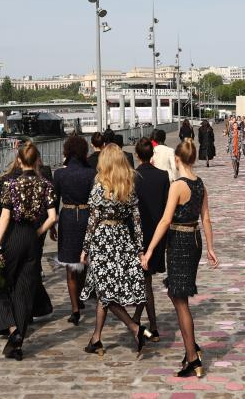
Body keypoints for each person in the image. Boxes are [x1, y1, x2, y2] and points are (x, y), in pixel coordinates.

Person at [142, 138, 218, 378]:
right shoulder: (200, 184)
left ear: (177, 159)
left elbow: (165, 220)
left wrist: (151, 249)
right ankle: (191, 349)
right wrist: (210, 247)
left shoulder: (177, 185)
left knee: (180, 299)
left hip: (178, 241)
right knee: (178, 294)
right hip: (194, 240)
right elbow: (205, 218)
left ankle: (193, 356)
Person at [80, 144, 149, 359]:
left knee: (104, 292)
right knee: (105, 291)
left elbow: (92, 220)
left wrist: (85, 248)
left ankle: (134, 327)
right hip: (122, 238)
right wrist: (139, 249)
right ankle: (96, 338)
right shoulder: (128, 185)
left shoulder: (99, 185)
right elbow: (136, 222)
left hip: (102, 239)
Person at [0, 142, 58, 359]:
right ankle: (17, 338)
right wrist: (38, 232)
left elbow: (5, 216)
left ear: (18, 160)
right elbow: (53, 217)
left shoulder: (11, 184)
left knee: (1, 284)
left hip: (13, 236)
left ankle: (12, 330)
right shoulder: (45, 184)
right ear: (37, 159)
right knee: (24, 289)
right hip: (31, 237)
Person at [51, 134, 95, 326]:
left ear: (67, 152)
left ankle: (75, 308)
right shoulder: (92, 173)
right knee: (84, 259)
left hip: (68, 217)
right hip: (86, 216)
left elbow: (53, 200)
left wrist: (52, 224)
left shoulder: (60, 174)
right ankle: (83, 295)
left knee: (70, 265)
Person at [132, 137, 170, 342]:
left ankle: (148, 325)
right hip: (158, 233)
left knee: (144, 280)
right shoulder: (163, 176)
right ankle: (140, 321)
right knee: (145, 279)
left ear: (137, 155)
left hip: (139, 234)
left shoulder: (133, 178)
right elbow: (167, 208)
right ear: (152, 154)